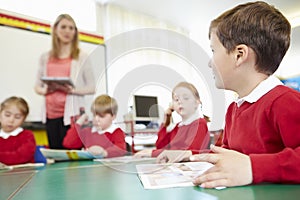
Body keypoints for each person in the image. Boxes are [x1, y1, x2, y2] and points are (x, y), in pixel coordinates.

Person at [157, 1, 300, 188]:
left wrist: (253, 167)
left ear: (239, 55)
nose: (210, 62)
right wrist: (190, 156)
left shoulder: (285, 102)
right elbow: (227, 155)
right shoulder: (234, 109)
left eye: (213, 50)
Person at [34, 14, 95, 149]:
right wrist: (46, 90)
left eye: (71, 28)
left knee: (70, 153)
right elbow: (37, 86)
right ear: (55, 29)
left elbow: (92, 87)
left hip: (71, 115)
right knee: (55, 152)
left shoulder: (81, 56)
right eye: (63, 27)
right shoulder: (45, 57)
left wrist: (72, 90)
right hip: (50, 115)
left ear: (75, 32)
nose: (67, 31)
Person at [134, 82, 210, 160]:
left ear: (197, 102)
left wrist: (153, 153)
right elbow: (160, 145)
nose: (180, 101)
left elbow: (187, 153)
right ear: (172, 105)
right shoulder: (178, 126)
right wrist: (166, 119)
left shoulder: (199, 124)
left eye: (186, 98)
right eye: (176, 99)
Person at [63, 94, 127, 158]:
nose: (96, 119)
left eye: (101, 116)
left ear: (113, 116)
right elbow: (68, 143)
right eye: (94, 115)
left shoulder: (117, 132)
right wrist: (78, 123)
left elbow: (120, 148)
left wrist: (104, 152)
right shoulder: (87, 132)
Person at [0, 96, 36, 165]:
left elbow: (21, 156)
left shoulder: (27, 135)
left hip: (24, 174)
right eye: (7, 115)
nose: (11, 120)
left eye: (17, 117)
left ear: (24, 119)